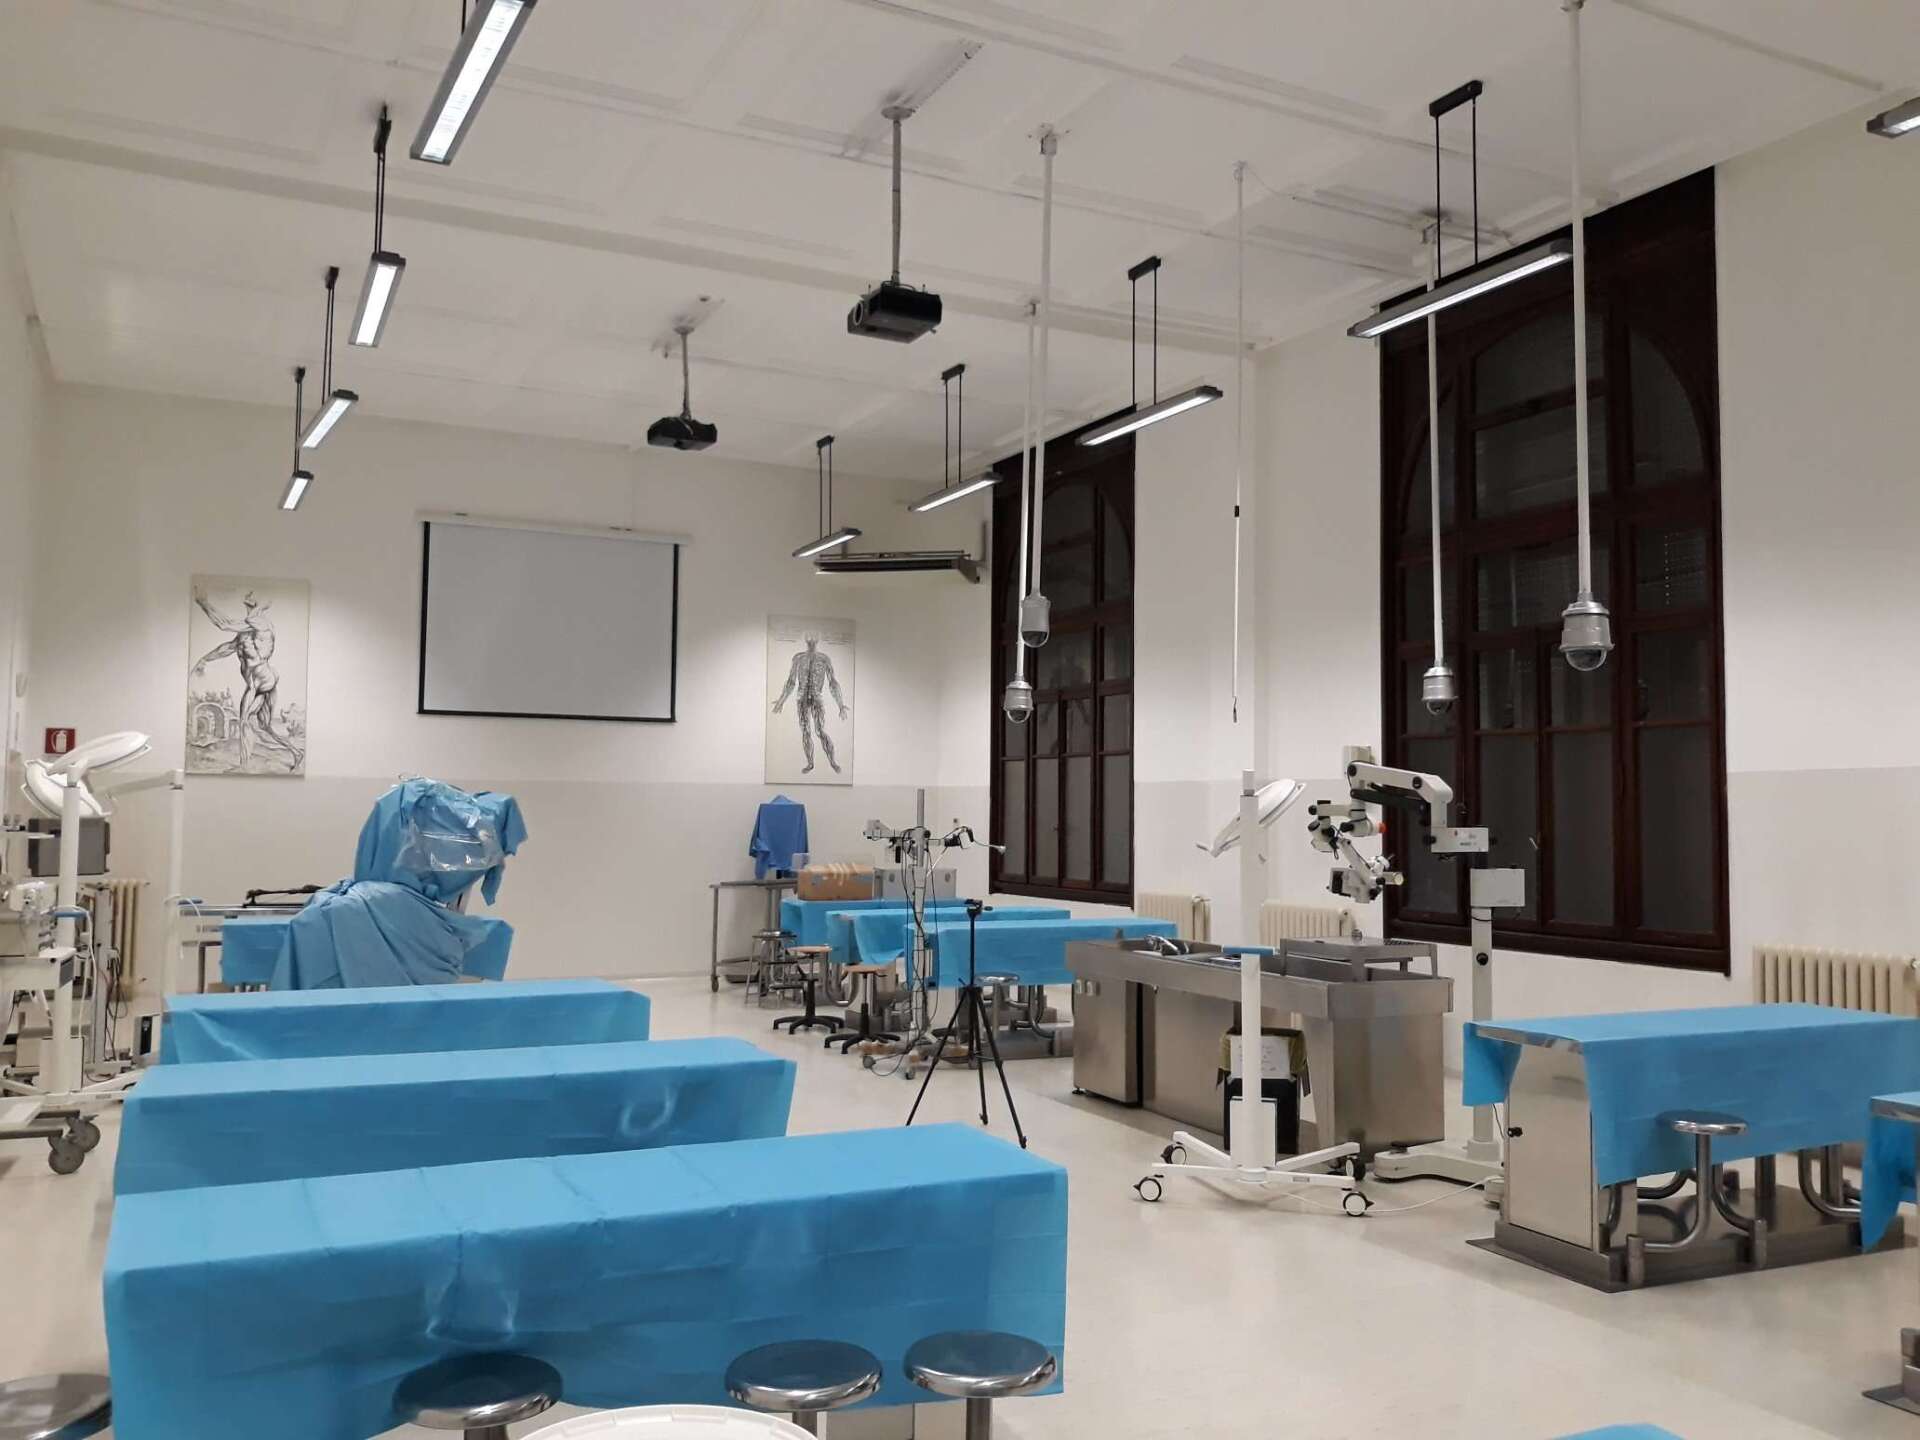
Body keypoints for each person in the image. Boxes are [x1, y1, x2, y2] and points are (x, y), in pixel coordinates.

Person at [191, 588, 304, 771]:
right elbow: (226, 648)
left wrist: (203, 602)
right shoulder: (245, 631)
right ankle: (296, 753)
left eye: (252, 596)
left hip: (262, 679)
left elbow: (224, 624)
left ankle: (243, 766)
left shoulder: (261, 624)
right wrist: (205, 659)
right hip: (257, 682)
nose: (248, 596)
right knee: (265, 726)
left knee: (244, 720)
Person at [771, 633, 848, 774]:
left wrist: (841, 705)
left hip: (817, 699)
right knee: (806, 732)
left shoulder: (824, 659)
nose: (811, 639)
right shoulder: (798, 658)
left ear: (817, 639)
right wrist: (781, 701)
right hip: (802, 700)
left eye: (814, 637)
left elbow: (833, 683)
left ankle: (832, 762)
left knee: (819, 731)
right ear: (806, 639)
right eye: (809, 636)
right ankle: (810, 763)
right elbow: (791, 681)